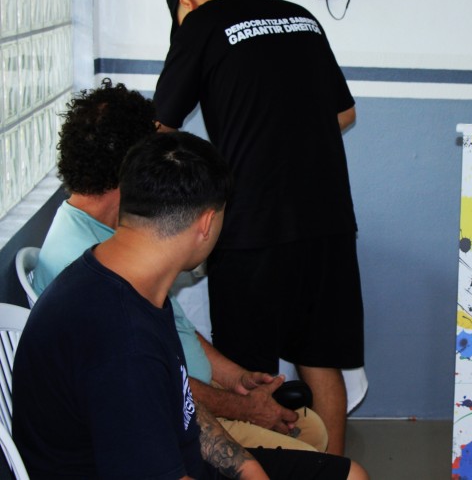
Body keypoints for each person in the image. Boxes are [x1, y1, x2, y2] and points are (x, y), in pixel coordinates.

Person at [13, 132, 367, 479]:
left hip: (175, 456)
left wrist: (245, 466)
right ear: (208, 223)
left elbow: (181, 403)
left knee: (350, 474)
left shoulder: (123, 277)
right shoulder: (123, 341)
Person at [31, 80, 328, 453]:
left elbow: (176, 326)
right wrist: (246, 409)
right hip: (173, 415)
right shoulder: (87, 263)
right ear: (132, 167)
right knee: (310, 446)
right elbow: (150, 382)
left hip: (193, 392)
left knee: (311, 429)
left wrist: (235, 378)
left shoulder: (119, 235)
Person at [154, 0, 364, 454]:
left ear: (185, 3)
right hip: (328, 216)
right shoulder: (300, 17)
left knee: (249, 371)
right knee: (321, 357)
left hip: (252, 224)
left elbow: (159, 129)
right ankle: (333, 472)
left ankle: (263, 471)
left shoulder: (201, 25)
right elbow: (344, 114)